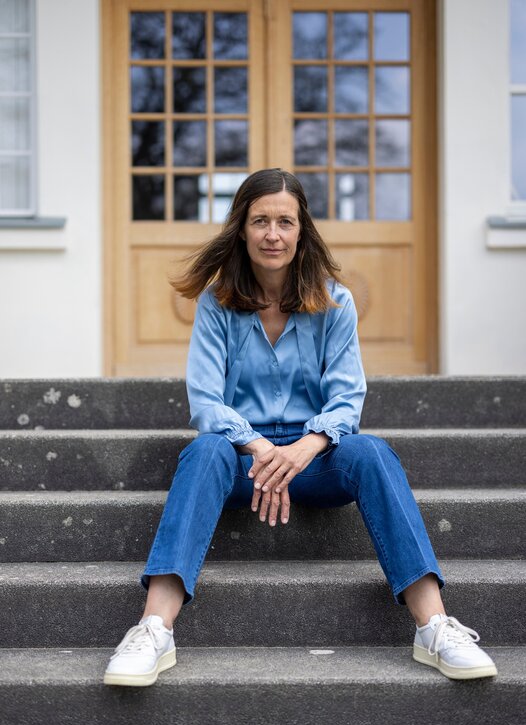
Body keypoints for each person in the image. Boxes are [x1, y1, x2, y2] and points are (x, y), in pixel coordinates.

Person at [103, 168, 497, 687]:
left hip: (316, 462)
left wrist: (304, 448)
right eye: (260, 221)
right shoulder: (216, 304)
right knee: (204, 451)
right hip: (243, 462)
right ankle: (154, 629)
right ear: (241, 229)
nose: (273, 234)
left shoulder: (336, 302)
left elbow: (347, 399)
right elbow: (206, 402)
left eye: (285, 222)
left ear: (301, 230)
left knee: (372, 452)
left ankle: (434, 627)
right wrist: (262, 448)